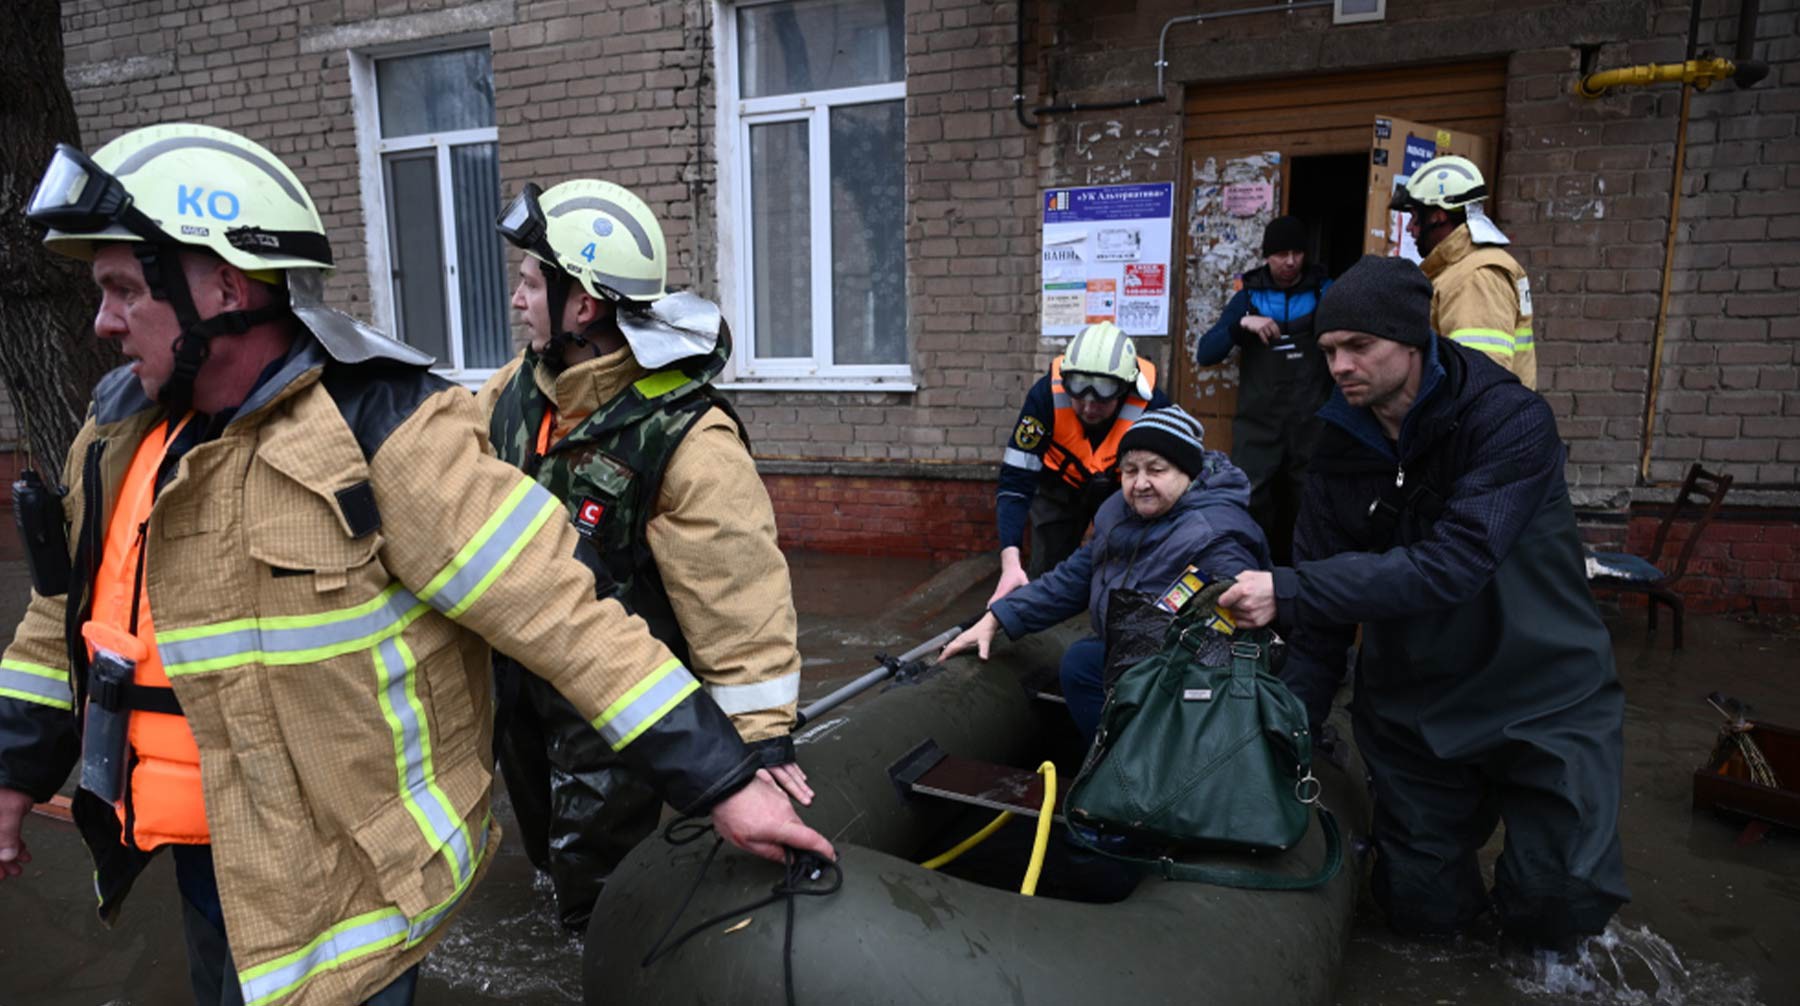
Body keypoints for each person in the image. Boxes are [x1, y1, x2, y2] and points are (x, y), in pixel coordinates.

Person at [0, 124, 832, 1006]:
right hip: (208, 842)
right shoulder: (120, 431)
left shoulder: (387, 428)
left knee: (588, 880)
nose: (101, 322)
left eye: (124, 289)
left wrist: (734, 772)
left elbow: (571, 611)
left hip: (356, 879)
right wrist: (15, 773)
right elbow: (64, 618)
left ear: (224, 284)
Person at [1217, 255, 1626, 953]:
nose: (1342, 365)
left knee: (1557, 903)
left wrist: (1289, 587)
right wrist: (1289, 738)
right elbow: (1319, 631)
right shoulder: (1337, 448)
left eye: (1359, 347)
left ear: (1412, 340)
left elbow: (1456, 562)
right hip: (1416, 704)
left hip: (1542, 690)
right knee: (1420, 908)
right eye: (1329, 351)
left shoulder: (1506, 420)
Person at [478, 178, 811, 931]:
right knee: (545, 851)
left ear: (583, 305)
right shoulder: (515, 392)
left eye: (532, 283)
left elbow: (741, 600)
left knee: (601, 890)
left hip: (620, 701)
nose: (518, 299)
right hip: (520, 685)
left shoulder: (689, 438)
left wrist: (758, 747)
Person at [945, 406, 1268, 744]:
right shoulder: (1122, 514)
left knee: (1085, 662)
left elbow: (1225, 645)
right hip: (1131, 657)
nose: (1140, 483)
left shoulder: (1216, 536)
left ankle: (1141, 766)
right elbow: (1074, 577)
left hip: (1184, 683)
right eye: (1130, 470)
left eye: (1156, 470)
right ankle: (1111, 759)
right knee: (1083, 663)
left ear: (1188, 473)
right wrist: (999, 617)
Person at [991, 322, 1171, 604]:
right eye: (1078, 395)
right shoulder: (1043, 398)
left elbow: (1174, 481)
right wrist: (1010, 560)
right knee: (1046, 575)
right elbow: (1015, 482)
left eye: (1102, 398)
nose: (1088, 407)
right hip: (1059, 487)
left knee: (1122, 568)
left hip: (1120, 491)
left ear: (1125, 388)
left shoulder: (1154, 406)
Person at [1193, 215, 1334, 563]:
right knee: (1252, 501)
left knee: (1310, 502)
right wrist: (1241, 325)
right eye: (1281, 253)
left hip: (1311, 422)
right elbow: (1206, 353)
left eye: (1297, 253)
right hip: (1259, 424)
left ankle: (1306, 585)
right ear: (1267, 256)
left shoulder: (1323, 290)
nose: (1290, 262)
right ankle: (1251, 576)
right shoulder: (1249, 296)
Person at [1390, 154, 1537, 389]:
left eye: (1415, 216)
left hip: (1476, 424)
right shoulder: (1459, 270)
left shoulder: (1475, 276)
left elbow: (1480, 379)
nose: (1409, 228)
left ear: (1439, 215)